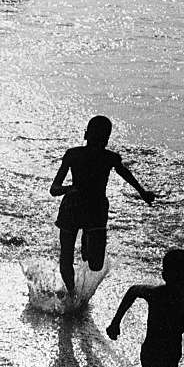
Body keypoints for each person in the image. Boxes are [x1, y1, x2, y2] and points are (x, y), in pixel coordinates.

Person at [49, 115, 155, 299]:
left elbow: (125, 174)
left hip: (96, 210)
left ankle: (87, 238)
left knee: (96, 265)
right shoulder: (73, 154)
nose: (101, 141)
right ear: (88, 135)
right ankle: (72, 294)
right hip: (72, 208)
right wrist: (70, 188)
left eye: (103, 137)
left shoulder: (109, 158)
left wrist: (142, 192)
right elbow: (54, 189)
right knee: (66, 258)